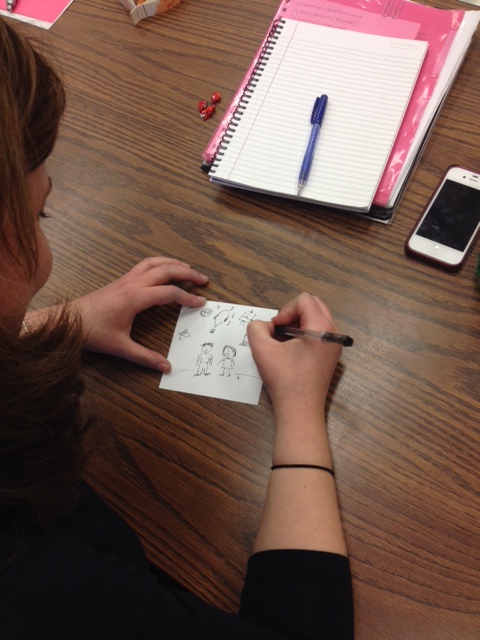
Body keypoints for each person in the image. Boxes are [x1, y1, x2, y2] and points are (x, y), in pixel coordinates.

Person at [0, 17, 354, 640]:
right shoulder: (43, 582)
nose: (44, 242)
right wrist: (299, 411)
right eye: (39, 213)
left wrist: (51, 321)